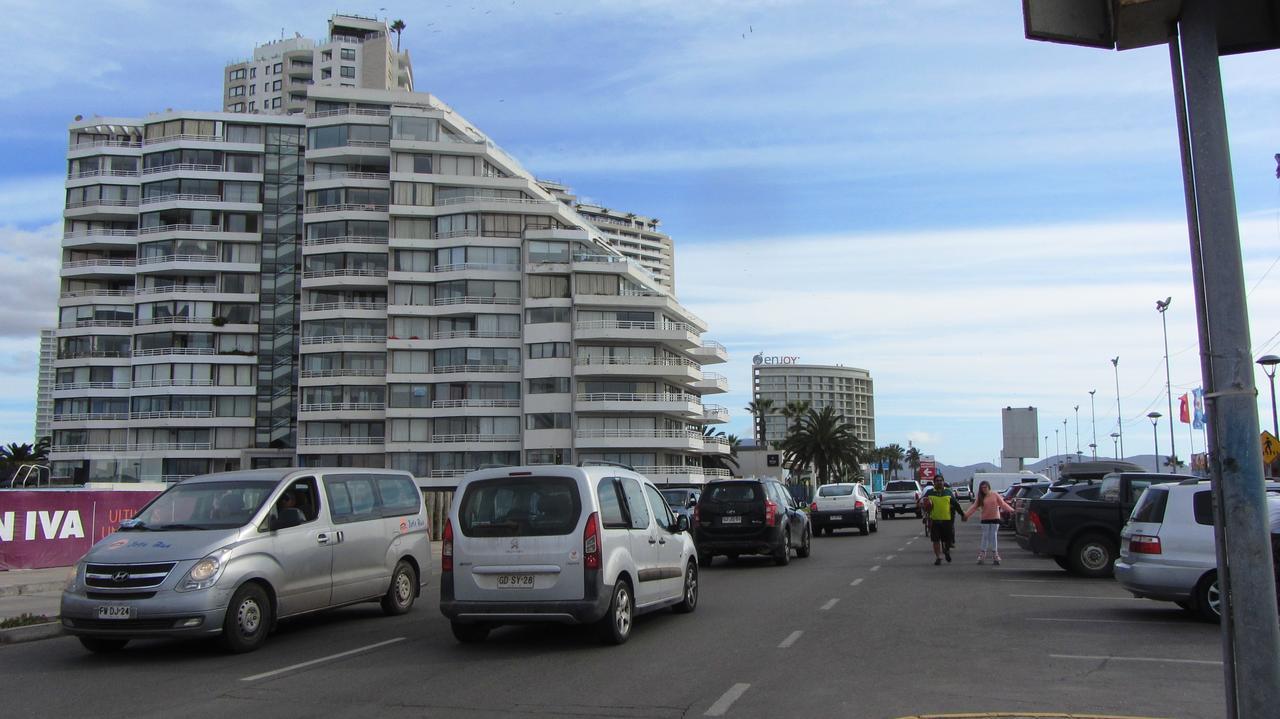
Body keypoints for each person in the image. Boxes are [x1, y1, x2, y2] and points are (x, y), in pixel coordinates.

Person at [964, 479, 1014, 565]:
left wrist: (1011, 510)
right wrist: (966, 515)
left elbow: (1003, 504)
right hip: (985, 519)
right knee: (985, 536)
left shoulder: (995, 494)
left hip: (995, 518)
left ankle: (995, 554)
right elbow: (974, 507)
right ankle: (982, 554)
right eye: (982, 487)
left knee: (993, 535)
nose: (984, 489)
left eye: (985, 487)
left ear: (989, 487)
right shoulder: (980, 497)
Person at [924, 475, 966, 564]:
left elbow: (956, 505)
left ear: (943, 482)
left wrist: (962, 514)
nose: (939, 482)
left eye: (941, 480)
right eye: (937, 481)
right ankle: (938, 557)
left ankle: (946, 550)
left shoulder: (948, 492)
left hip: (947, 521)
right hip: (934, 521)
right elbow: (922, 502)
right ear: (934, 482)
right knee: (935, 540)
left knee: (948, 540)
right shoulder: (929, 492)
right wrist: (923, 505)